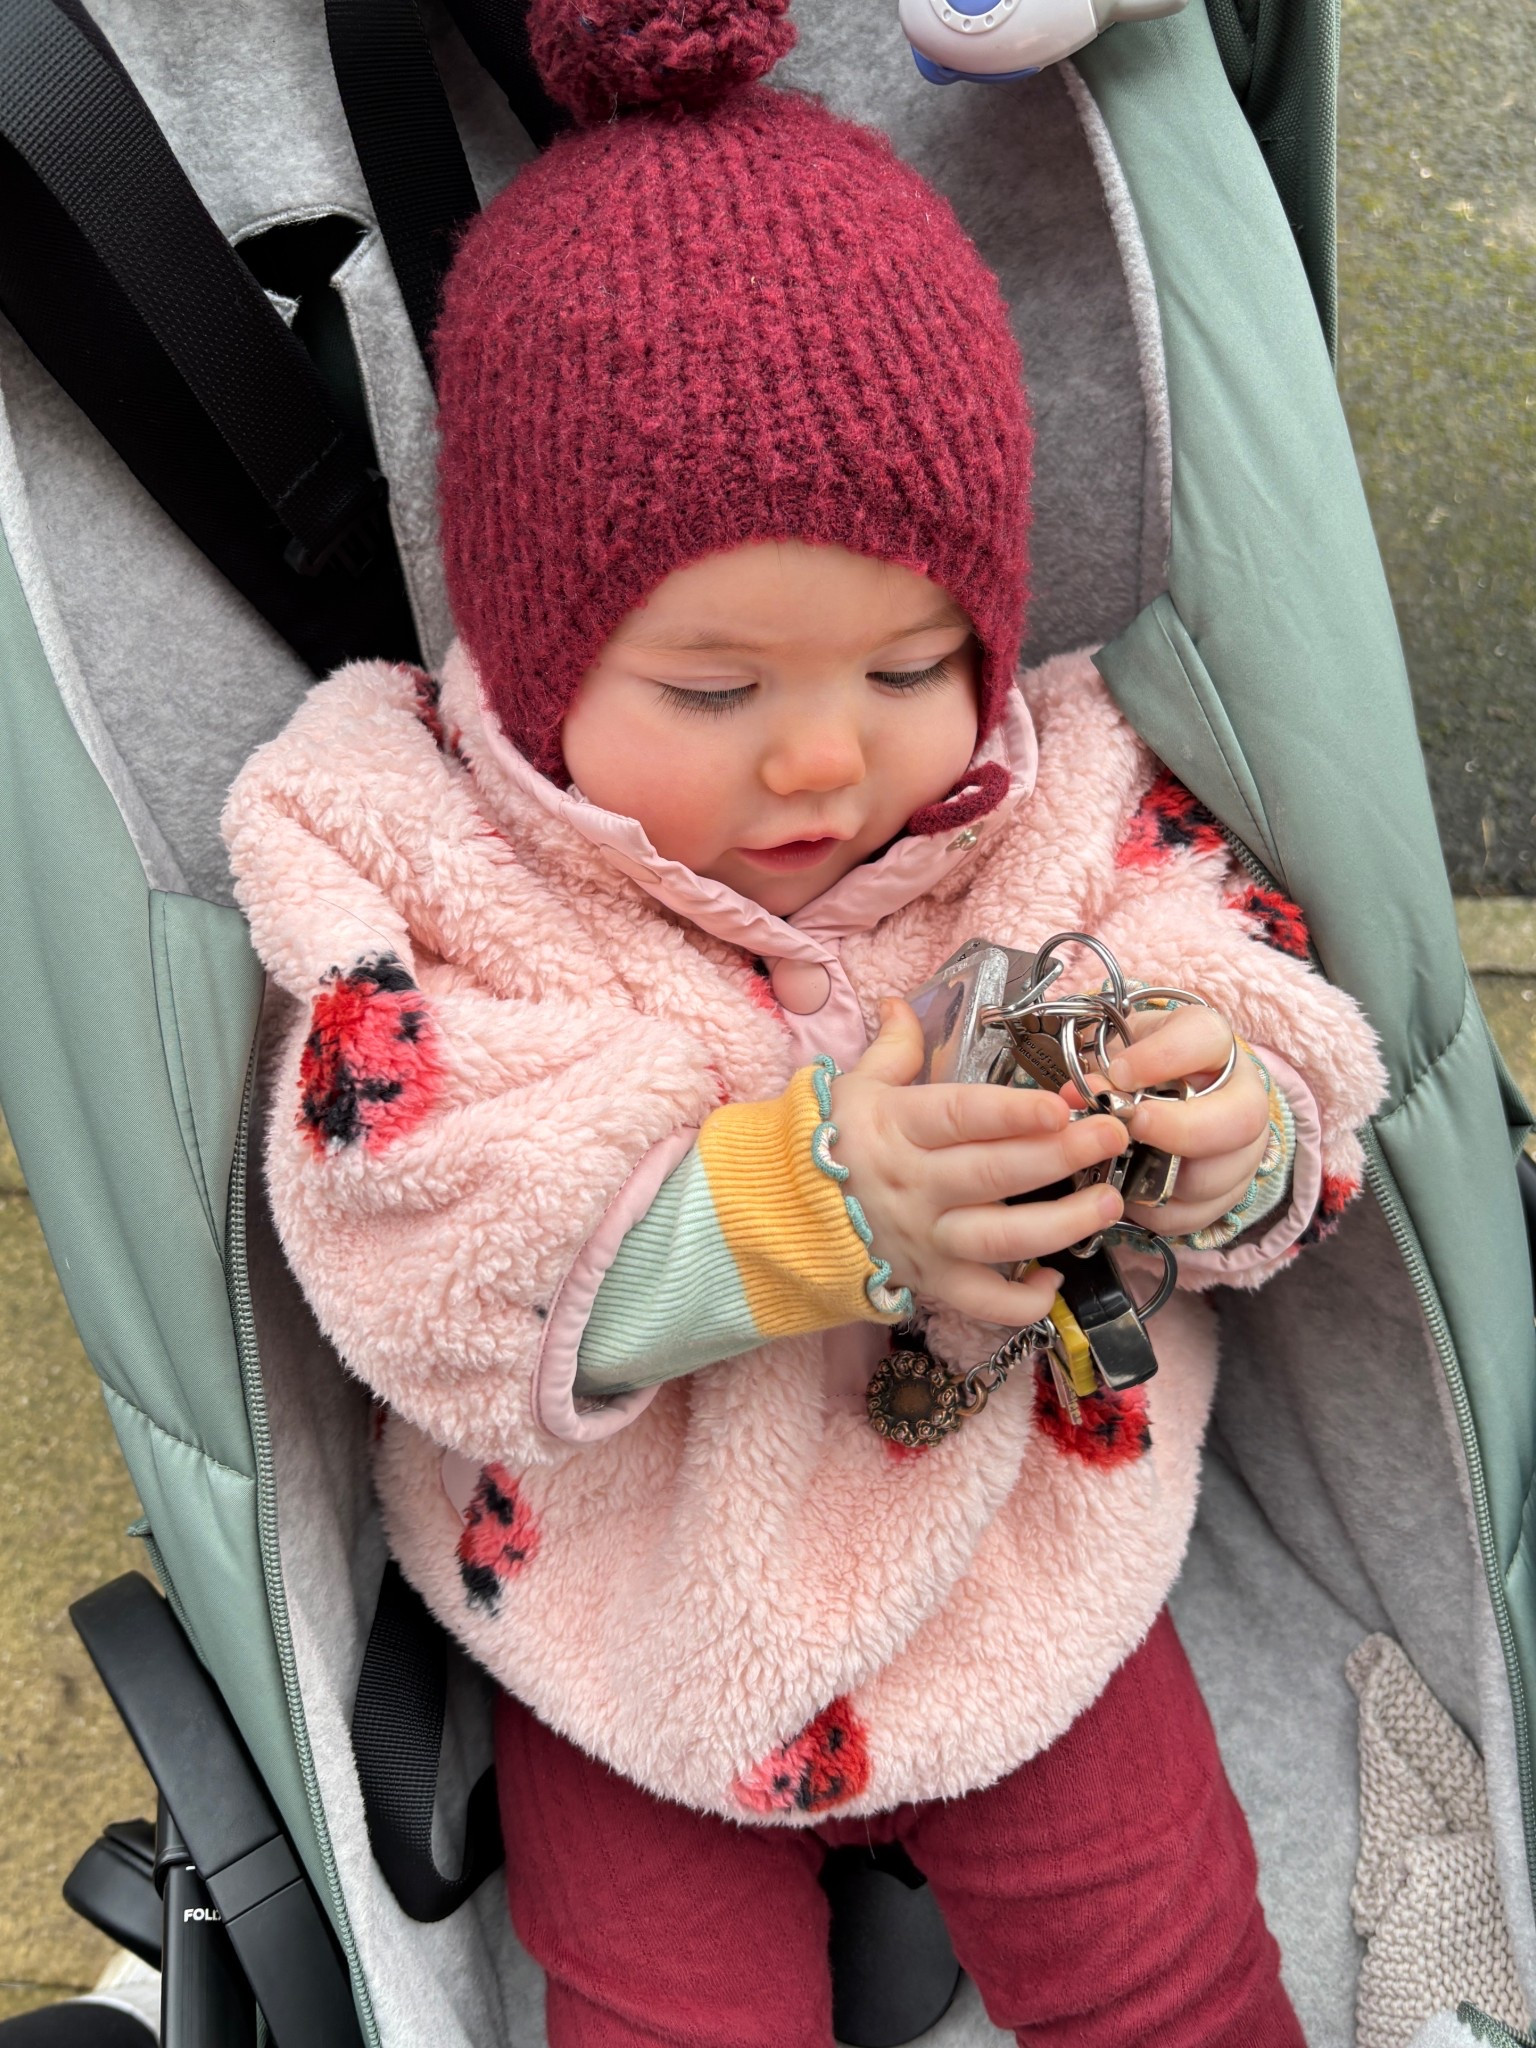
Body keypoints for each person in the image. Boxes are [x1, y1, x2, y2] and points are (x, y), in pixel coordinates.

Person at [223, 1, 1386, 2039]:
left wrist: (1228, 1122)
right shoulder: (425, 859)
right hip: (632, 1613)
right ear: (542, 651)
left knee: (1175, 1969)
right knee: (662, 2012)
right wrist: (812, 1202)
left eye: (911, 665)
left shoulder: (1050, 802)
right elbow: (411, 1221)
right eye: (715, 692)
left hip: (1019, 1562)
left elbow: (1250, 983)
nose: (825, 762)